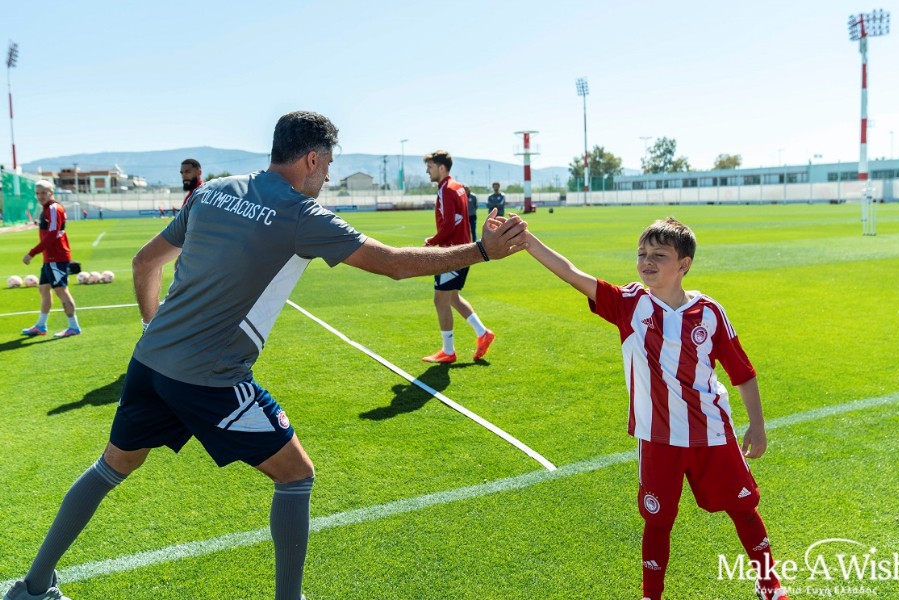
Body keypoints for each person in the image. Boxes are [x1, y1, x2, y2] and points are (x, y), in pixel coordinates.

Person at [3, 111, 528, 600]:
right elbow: (391, 264)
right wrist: (483, 251)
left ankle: (32, 586)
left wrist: (154, 328)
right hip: (211, 376)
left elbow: (146, 264)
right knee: (296, 474)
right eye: (328, 166)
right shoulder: (302, 213)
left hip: (149, 362)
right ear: (312, 160)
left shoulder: (210, 193)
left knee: (111, 467)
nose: (325, 177)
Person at [523, 217, 788, 600]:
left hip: (712, 432)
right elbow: (571, 273)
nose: (647, 261)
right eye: (642, 254)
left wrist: (757, 426)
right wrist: (528, 241)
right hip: (658, 437)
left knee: (743, 508)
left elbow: (742, 372)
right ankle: (652, 595)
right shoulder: (629, 303)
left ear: (684, 264)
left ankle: (770, 585)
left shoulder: (710, 312)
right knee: (658, 521)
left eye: (659, 255)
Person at [421, 150, 495, 363]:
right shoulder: (459, 187)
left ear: (441, 168)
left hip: (451, 254)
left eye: (430, 166)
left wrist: (431, 241)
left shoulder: (446, 189)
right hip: (464, 251)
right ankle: (483, 333)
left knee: (440, 299)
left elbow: (448, 226)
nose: (428, 170)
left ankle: (448, 350)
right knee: (451, 297)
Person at [20, 180, 82, 339]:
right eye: (37, 193)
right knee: (43, 289)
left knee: (61, 291)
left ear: (51, 192)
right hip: (49, 258)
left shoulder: (54, 208)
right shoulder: (47, 209)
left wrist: (32, 253)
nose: (40, 196)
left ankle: (73, 327)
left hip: (56, 257)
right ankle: (41, 326)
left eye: (44, 192)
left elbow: (53, 234)